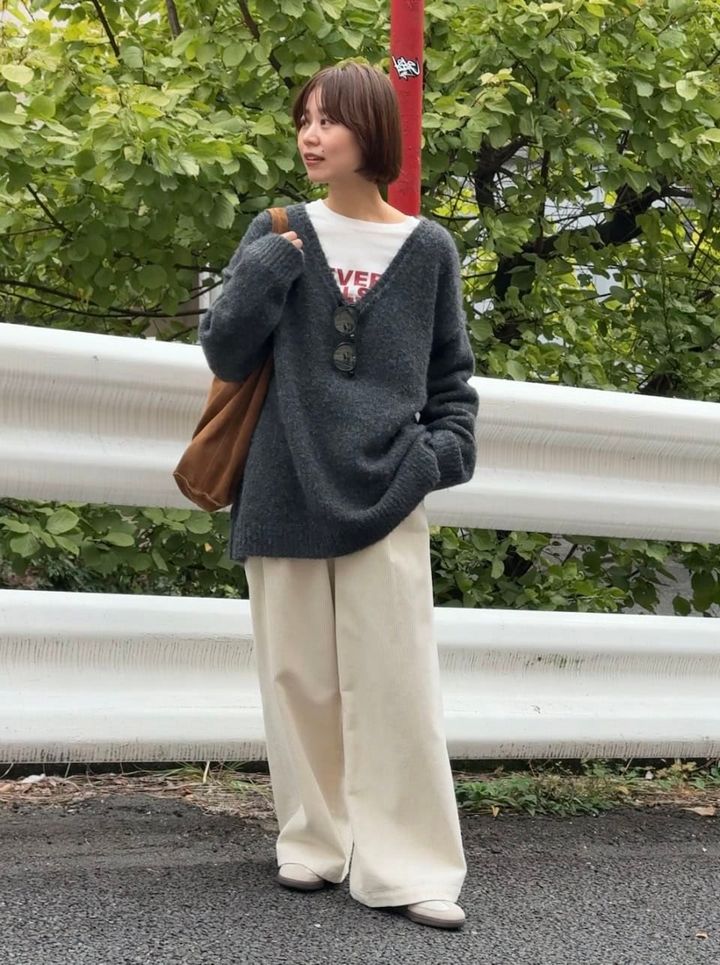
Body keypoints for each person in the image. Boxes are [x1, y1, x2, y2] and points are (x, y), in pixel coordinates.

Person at [198, 60, 479, 930]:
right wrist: (262, 272)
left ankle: (409, 863)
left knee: (396, 684)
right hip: (281, 482)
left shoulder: (428, 249)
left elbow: (452, 382)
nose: (311, 136)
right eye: (304, 120)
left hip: (389, 487)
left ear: (373, 131)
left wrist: (436, 457)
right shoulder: (278, 232)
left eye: (329, 120)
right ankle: (316, 838)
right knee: (298, 678)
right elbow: (225, 352)